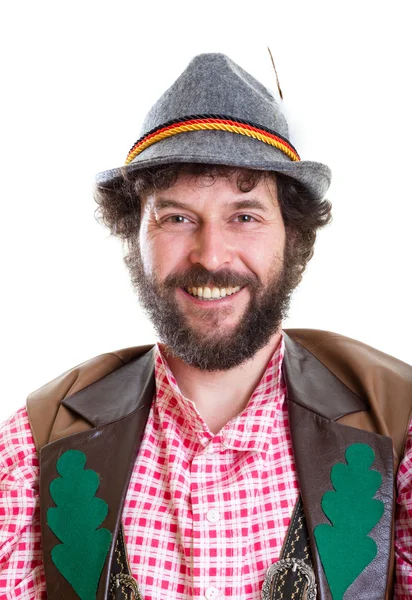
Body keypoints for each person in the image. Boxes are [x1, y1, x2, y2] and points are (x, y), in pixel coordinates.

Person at [0, 53, 411, 600]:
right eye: (176, 218)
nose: (211, 254)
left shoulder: (400, 433)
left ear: (293, 234)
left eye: (244, 215)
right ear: (135, 237)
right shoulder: (33, 447)